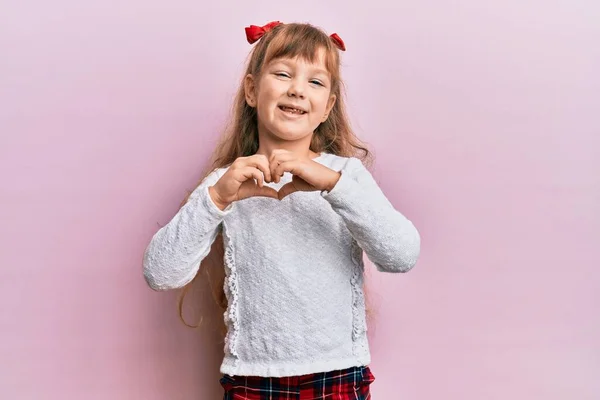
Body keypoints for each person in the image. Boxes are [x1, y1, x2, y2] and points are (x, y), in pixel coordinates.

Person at [143, 20, 421, 400]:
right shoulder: (227, 182)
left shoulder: (344, 176)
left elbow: (401, 255)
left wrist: (331, 185)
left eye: (315, 82)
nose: (297, 89)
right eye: (283, 73)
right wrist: (216, 199)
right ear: (253, 90)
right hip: (251, 379)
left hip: (336, 373)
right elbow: (160, 273)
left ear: (327, 108)